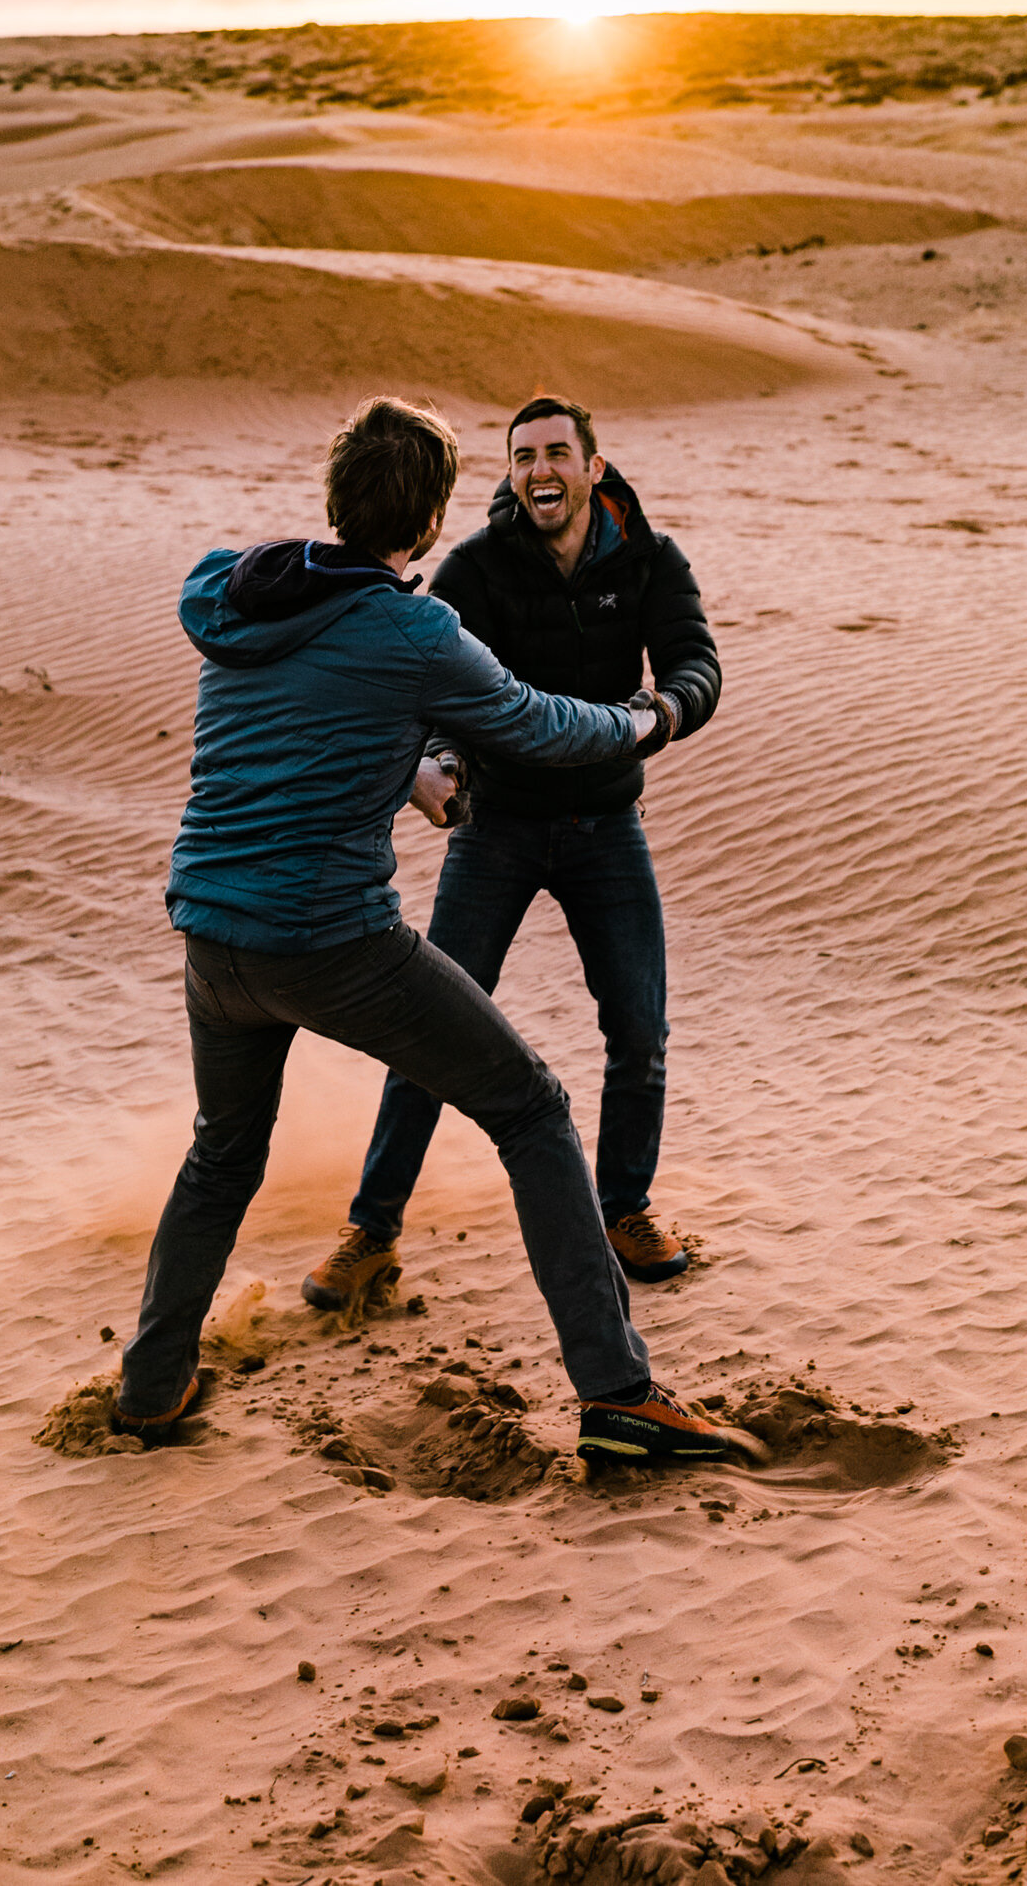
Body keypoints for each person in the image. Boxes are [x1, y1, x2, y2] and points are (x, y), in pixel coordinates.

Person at [115, 393, 734, 1467]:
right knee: (533, 1109)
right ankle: (617, 1391)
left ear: (334, 492)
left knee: (221, 1158)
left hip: (212, 939)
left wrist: (406, 775)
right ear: (436, 515)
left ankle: (150, 1388)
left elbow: (296, 720)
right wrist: (639, 721)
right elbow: (538, 724)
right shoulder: (409, 626)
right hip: (328, 941)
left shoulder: (232, 586)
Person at [305, 393, 719, 1314]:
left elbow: (697, 664)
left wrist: (661, 714)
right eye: (522, 456)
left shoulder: (650, 560)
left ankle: (625, 1209)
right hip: (495, 830)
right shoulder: (476, 570)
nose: (539, 471)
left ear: (592, 468)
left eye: (556, 454)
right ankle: (370, 1231)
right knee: (430, 1033)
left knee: (639, 1032)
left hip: (607, 827)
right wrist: (437, 765)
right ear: (509, 472)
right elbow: (422, 688)